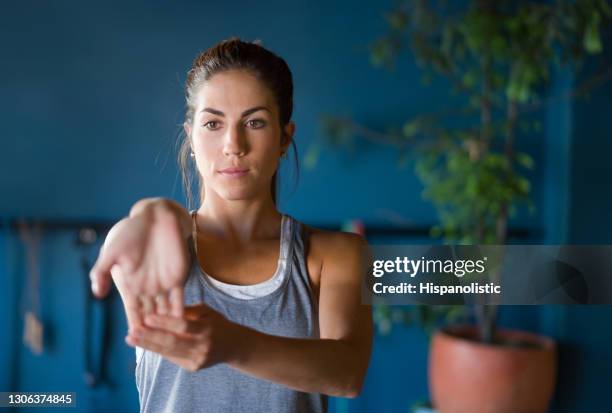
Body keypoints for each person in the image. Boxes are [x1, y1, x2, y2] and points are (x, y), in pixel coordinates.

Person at [89, 37, 373, 413]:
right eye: (212, 123)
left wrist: (233, 344)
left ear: (284, 138)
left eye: (254, 122)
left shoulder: (337, 254)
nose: (233, 144)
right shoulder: (155, 244)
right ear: (190, 136)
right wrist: (148, 211)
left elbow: (347, 374)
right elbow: (157, 222)